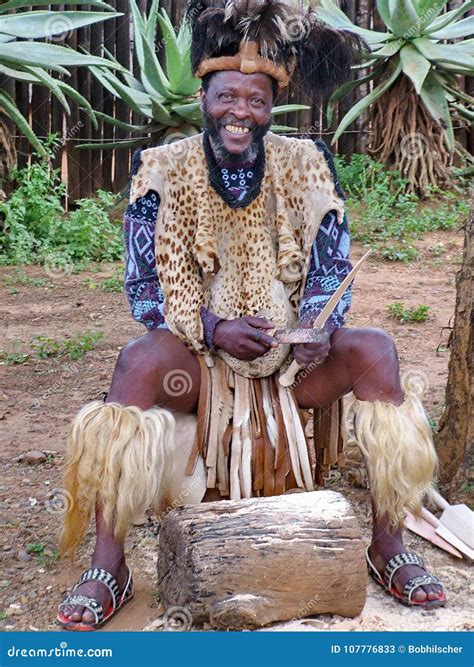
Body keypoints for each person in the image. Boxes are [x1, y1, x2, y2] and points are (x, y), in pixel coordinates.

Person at [57, 0, 445, 631]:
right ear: (203, 97)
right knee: (136, 360)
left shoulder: (307, 162)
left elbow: (330, 268)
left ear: (271, 107)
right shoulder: (160, 168)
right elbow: (144, 288)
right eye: (227, 96)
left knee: (375, 350)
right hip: (201, 359)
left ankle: (388, 544)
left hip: (295, 366)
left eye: (256, 100)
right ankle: (109, 564)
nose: (241, 112)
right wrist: (210, 329)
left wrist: (316, 327)